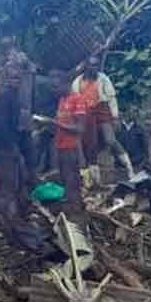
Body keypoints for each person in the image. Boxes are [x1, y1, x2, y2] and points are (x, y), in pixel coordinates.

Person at [72, 56, 134, 180]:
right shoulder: (77, 82)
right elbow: (75, 101)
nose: (94, 68)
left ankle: (128, 166)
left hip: (102, 109)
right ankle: (96, 178)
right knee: (91, 144)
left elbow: (111, 98)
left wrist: (115, 117)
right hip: (86, 113)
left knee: (110, 139)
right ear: (86, 67)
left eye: (96, 65)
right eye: (91, 65)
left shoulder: (104, 79)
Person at [0, 63, 32, 233]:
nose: (15, 80)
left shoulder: (16, 96)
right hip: (7, 149)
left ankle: (13, 219)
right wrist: (11, 145)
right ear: (6, 79)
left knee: (17, 183)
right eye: (12, 77)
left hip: (14, 147)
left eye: (18, 77)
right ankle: (5, 222)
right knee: (8, 186)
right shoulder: (5, 96)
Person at [53, 72, 88, 208]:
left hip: (72, 147)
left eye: (57, 86)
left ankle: (76, 208)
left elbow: (80, 128)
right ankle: (70, 206)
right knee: (65, 178)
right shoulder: (62, 100)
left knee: (71, 179)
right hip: (61, 145)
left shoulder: (78, 100)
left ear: (66, 84)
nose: (55, 90)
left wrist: (57, 124)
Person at [117, 106, 148, 171]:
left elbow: (145, 147)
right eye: (133, 111)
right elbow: (114, 147)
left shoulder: (140, 128)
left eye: (136, 112)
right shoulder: (118, 128)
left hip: (137, 164)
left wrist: (143, 161)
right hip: (122, 165)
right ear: (126, 112)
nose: (134, 114)